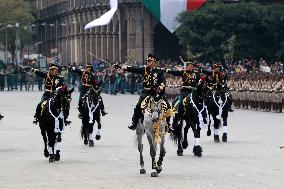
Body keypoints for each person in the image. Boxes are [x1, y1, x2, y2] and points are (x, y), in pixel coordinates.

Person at [114, 54, 171, 131]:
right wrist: (122, 67)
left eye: (150, 61)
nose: (148, 62)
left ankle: (168, 125)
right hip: (146, 92)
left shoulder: (159, 71)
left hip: (156, 92)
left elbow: (163, 79)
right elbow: (134, 69)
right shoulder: (144, 69)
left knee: (168, 107)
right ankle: (134, 122)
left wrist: (162, 85)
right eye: (147, 61)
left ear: (154, 62)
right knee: (138, 107)